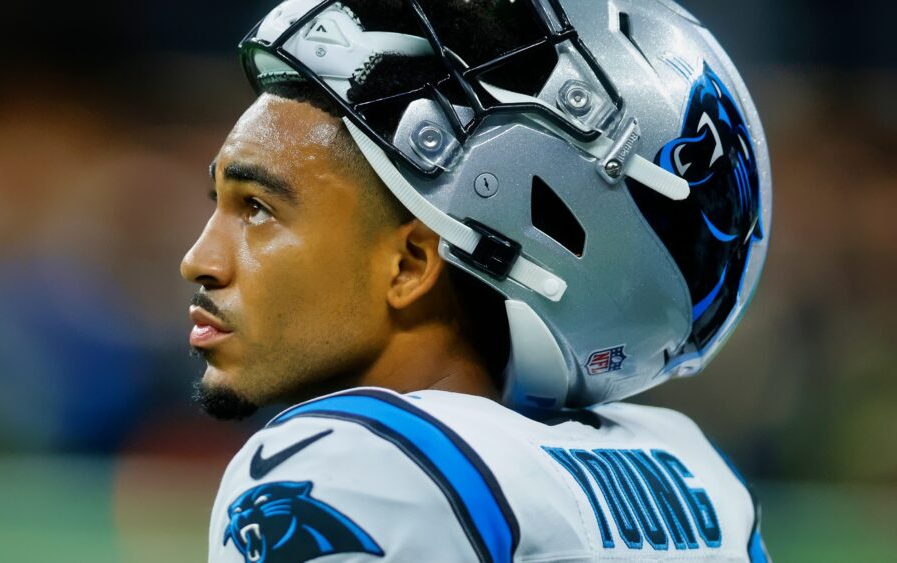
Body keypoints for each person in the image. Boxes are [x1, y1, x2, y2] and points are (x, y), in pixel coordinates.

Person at [180, 1, 772, 561]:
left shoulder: (358, 467)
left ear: (411, 264)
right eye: (219, 203)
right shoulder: (695, 480)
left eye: (258, 207)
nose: (198, 261)